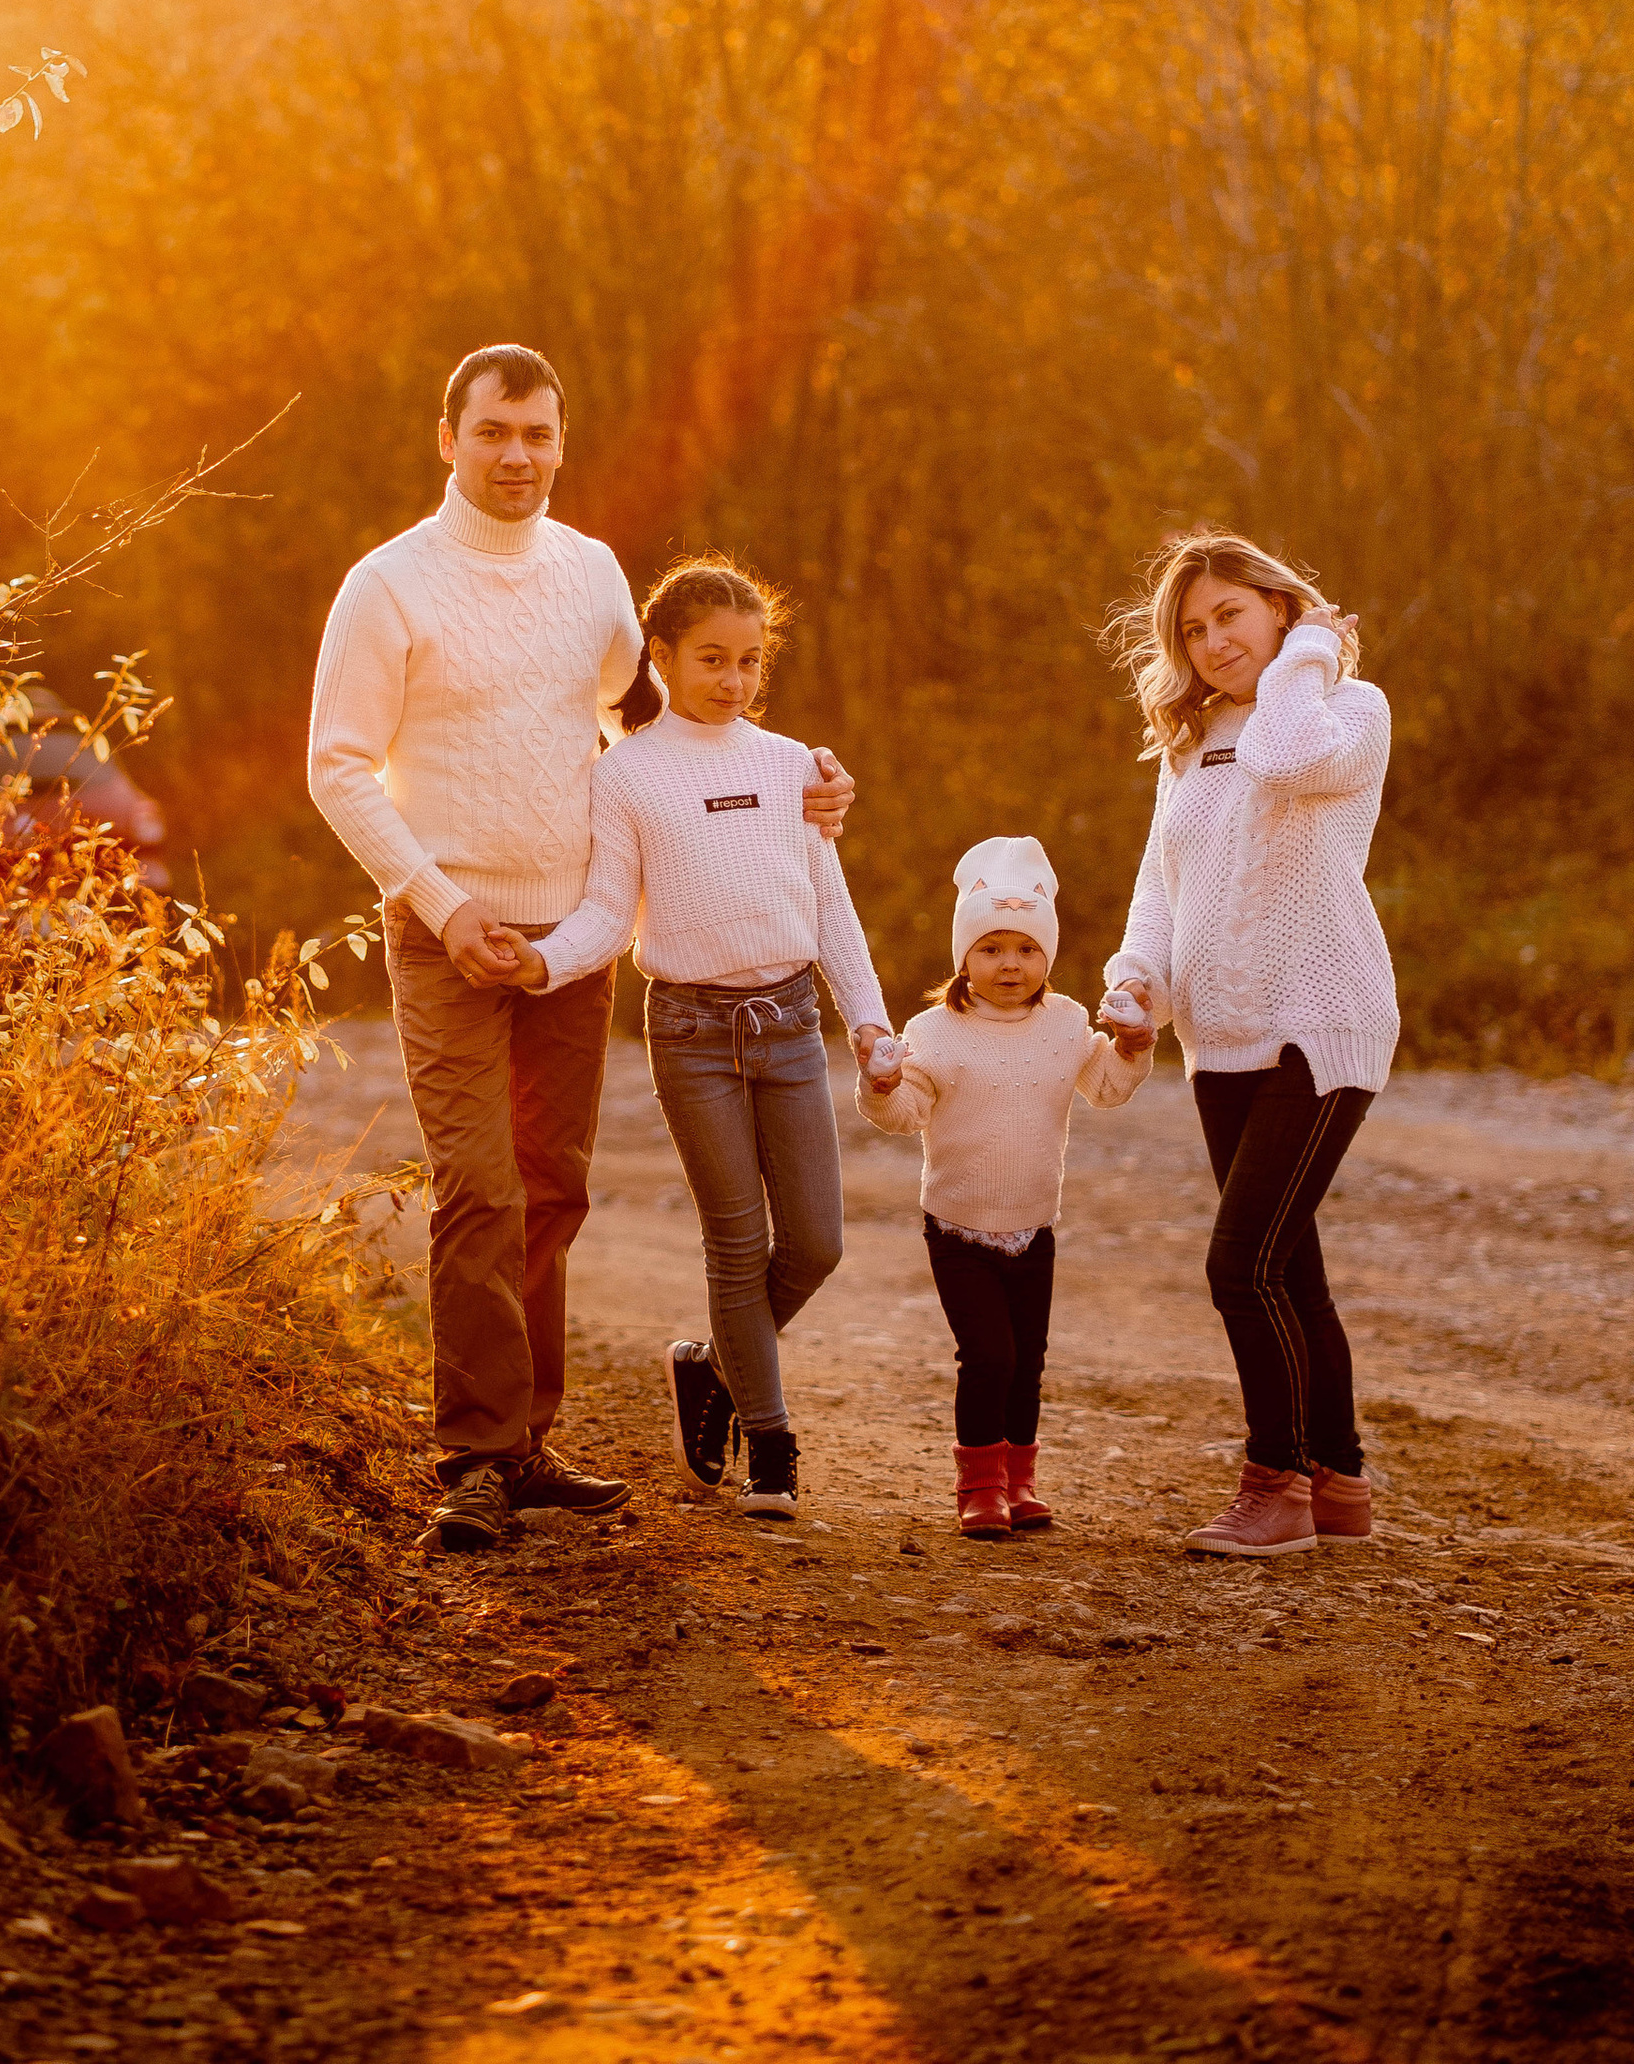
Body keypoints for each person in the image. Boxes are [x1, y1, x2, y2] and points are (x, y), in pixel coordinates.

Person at [308, 351, 856, 1551]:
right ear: (444, 436)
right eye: (494, 430)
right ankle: (471, 1455)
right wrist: (444, 905)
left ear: (562, 443)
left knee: (553, 1189)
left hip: (575, 931)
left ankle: (528, 1443)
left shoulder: (593, 572)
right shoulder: (388, 586)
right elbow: (337, 765)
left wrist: (796, 778)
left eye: (538, 434)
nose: (517, 455)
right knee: (480, 1184)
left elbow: (656, 717)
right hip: (446, 927)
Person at [489, 556, 884, 1520]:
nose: (733, 680)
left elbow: (829, 906)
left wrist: (869, 1022)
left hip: (788, 1025)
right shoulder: (624, 776)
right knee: (738, 1245)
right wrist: (542, 962)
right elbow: (604, 913)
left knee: (819, 1244)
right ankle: (773, 1446)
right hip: (693, 1034)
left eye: (750, 662)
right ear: (660, 658)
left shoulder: (794, 766)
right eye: (712, 659)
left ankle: (709, 1365)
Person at [1100, 527, 1395, 1559]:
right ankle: (1338, 1479)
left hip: (1319, 1020)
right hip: (1217, 1036)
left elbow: (1287, 755)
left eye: (1230, 613)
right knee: (1289, 1266)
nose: (1212, 639)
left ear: (1277, 604)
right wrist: (1134, 982)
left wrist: (1312, 650)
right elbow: (1157, 881)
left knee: (1242, 1263)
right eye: (1192, 627)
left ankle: (1274, 1486)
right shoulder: (1189, 741)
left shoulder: (1344, 710)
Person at [857, 837, 1155, 1538]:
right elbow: (904, 1115)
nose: (1010, 964)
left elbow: (1107, 1087)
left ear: (1046, 955)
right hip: (957, 1226)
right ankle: (980, 1488)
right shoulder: (935, 1030)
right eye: (991, 948)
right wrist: (882, 1082)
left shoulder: (1064, 1024)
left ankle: (1022, 1484)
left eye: (1025, 948)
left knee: (1027, 1363)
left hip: (1034, 1222)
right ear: (964, 956)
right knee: (988, 1356)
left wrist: (1132, 1047)